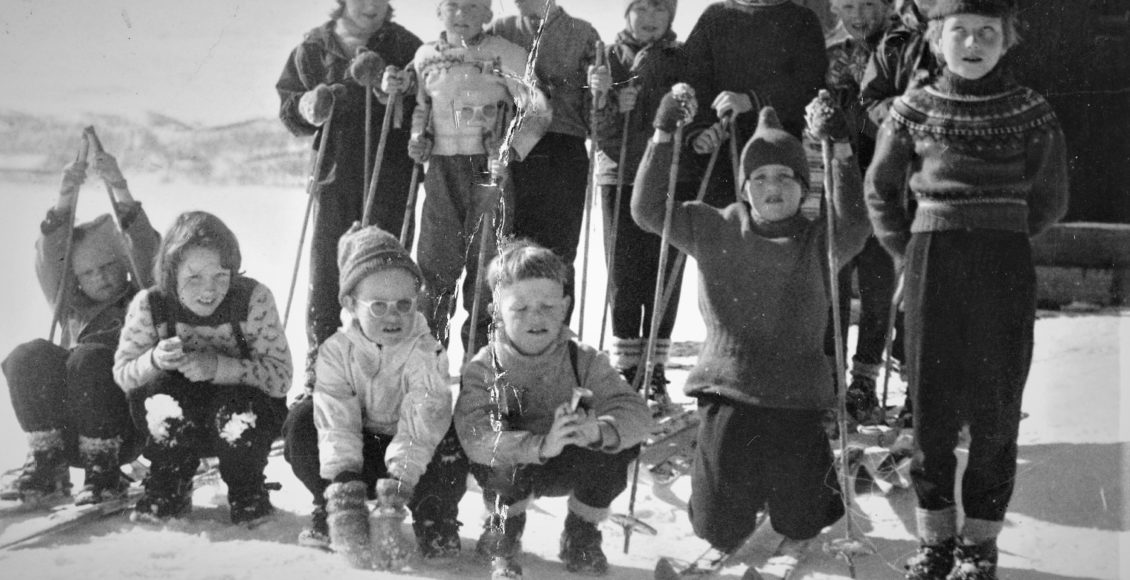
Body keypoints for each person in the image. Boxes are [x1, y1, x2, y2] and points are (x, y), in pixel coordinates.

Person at [864, 1, 1069, 577]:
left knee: (997, 408)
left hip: (1004, 264)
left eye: (988, 33)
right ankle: (935, 542)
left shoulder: (1030, 110)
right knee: (930, 407)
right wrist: (912, 251)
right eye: (960, 32)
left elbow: (1051, 195)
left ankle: (979, 545)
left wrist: (1000, 229)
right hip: (934, 261)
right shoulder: (912, 109)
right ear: (935, 39)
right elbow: (880, 190)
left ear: (1007, 41)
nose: (973, 43)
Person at [632, 90, 870, 578]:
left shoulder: (821, 239)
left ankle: (791, 481)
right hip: (729, 392)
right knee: (721, 529)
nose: (773, 186)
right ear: (744, 187)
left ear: (804, 187)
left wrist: (840, 147)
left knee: (803, 522)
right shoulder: (713, 226)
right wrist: (662, 135)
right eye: (760, 177)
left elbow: (857, 222)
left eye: (786, 176)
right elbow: (646, 210)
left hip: (796, 397)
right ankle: (723, 478)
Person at [454, 240, 651, 579]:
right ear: (496, 312)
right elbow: (476, 438)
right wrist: (541, 446)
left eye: (547, 306)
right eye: (520, 308)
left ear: (565, 307)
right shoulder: (485, 367)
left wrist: (598, 431)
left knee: (617, 441)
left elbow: (636, 414)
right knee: (497, 455)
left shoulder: (583, 359)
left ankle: (581, 532)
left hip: (569, 463)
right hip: (517, 468)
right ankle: (506, 527)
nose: (536, 317)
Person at [281, 224, 469, 564]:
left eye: (404, 304)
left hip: (412, 456)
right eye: (378, 306)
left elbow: (421, 424)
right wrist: (345, 483)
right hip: (359, 453)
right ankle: (333, 503)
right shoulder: (336, 352)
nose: (393, 316)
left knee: (450, 440)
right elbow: (337, 422)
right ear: (352, 304)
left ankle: (433, 514)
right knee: (303, 423)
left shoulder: (427, 352)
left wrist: (397, 487)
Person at [276, 0, 422, 399]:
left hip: (389, 172)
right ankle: (321, 361)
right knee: (326, 269)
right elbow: (290, 107)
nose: (372, 6)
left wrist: (396, 91)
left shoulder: (405, 45)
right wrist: (309, 106)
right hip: (335, 173)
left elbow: (424, 102)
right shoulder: (314, 48)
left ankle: (383, 363)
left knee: (384, 269)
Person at [1, 150, 159, 506]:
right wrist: (64, 198)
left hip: (124, 431)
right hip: (69, 431)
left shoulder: (145, 297)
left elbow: (146, 246)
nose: (99, 277)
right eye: (87, 273)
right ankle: (47, 464)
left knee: (89, 358)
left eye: (107, 266)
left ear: (122, 264)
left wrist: (118, 186)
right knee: (26, 355)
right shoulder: (70, 307)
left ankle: (104, 472)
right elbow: (49, 259)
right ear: (77, 280)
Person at [114, 212, 292, 525]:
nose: (208, 290)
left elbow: (281, 377)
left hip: (242, 421)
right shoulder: (151, 304)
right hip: (179, 425)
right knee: (161, 394)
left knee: (236, 405)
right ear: (172, 273)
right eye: (194, 277)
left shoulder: (253, 300)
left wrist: (219, 368)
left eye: (220, 276)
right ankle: (168, 483)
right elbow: (124, 372)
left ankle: (247, 488)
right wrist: (154, 360)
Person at [405, 0, 550, 356]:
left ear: (488, 14)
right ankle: (429, 365)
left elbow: (539, 108)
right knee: (436, 264)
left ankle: (481, 367)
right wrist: (417, 139)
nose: (463, 14)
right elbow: (421, 107)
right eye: (453, 5)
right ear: (439, 12)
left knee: (487, 266)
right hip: (441, 170)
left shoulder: (506, 54)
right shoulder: (425, 56)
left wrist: (511, 148)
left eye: (474, 6)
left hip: (488, 169)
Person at [590, 0, 689, 406]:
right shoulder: (607, 57)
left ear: (671, 16)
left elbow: (691, 113)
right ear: (626, 12)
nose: (649, 19)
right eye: (641, 8)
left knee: (663, 268)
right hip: (619, 173)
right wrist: (607, 103)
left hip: (667, 175)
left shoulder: (682, 59)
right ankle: (627, 366)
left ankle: (657, 367)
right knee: (623, 270)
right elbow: (595, 129)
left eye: (659, 10)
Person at [487, 0, 603, 313]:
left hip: (565, 149)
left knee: (559, 252)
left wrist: (600, 91)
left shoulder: (583, 34)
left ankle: (556, 341)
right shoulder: (502, 29)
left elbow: (599, 112)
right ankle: (510, 337)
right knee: (512, 249)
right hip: (514, 151)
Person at [824, 0, 897, 425]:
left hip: (886, 180)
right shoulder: (831, 56)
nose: (858, 15)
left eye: (868, 3)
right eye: (848, 5)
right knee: (835, 281)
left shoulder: (900, 52)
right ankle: (830, 380)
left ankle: (865, 380)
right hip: (841, 182)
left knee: (877, 284)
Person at [681, 0, 828, 207]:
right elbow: (693, 81)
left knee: (774, 228)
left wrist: (752, 100)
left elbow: (810, 85)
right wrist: (699, 132)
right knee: (725, 229)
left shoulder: (802, 19)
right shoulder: (715, 16)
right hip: (722, 152)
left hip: (778, 150)